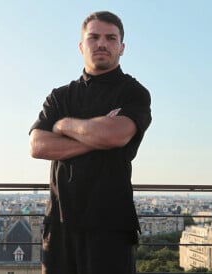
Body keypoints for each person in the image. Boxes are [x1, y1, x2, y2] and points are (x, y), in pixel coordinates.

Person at [29, 11, 152, 274]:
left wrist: (63, 126)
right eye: (93, 37)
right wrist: (98, 136)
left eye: (110, 38)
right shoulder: (59, 96)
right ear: (81, 46)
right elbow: (38, 146)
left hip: (111, 227)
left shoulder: (134, 92)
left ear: (122, 47)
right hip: (60, 225)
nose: (102, 44)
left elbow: (114, 135)